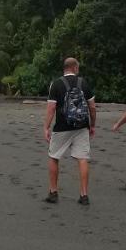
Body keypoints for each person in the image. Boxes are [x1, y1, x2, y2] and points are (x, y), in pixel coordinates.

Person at [43, 57, 97, 205]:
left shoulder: (56, 84)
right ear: (75, 68)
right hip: (81, 126)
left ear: (65, 68)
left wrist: (46, 127)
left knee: (54, 157)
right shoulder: (84, 83)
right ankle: (84, 195)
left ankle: (53, 192)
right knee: (82, 159)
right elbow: (92, 107)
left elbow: (51, 108)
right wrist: (92, 125)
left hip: (62, 127)